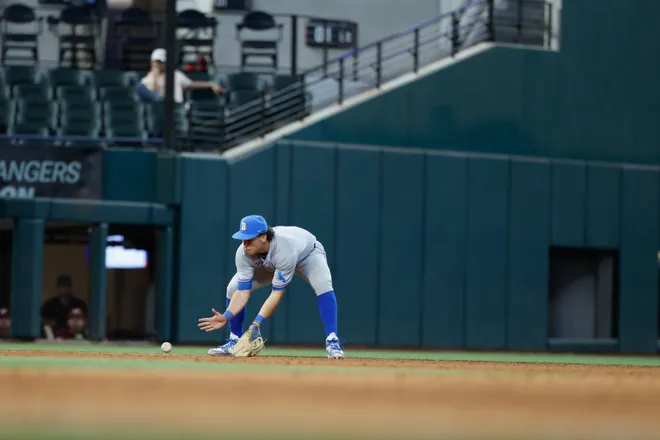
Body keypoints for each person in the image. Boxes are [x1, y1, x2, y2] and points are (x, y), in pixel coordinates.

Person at [198, 215, 345, 359]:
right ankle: (234, 339)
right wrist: (226, 316)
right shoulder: (243, 253)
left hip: (307, 255)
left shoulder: (284, 249)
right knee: (233, 287)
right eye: (243, 238)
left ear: (263, 237)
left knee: (324, 284)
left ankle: (332, 341)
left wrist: (256, 324)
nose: (245, 243)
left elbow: (276, 294)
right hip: (270, 263)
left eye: (249, 239)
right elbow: (242, 292)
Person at [135, 48, 224, 104]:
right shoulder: (147, 79)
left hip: (176, 108)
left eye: (161, 62)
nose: (158, 64)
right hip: (159, 111)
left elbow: (191, 84)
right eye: (156, 62)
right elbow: (151, 96)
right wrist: (154, 77)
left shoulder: (176, 75)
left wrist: (210, 84)